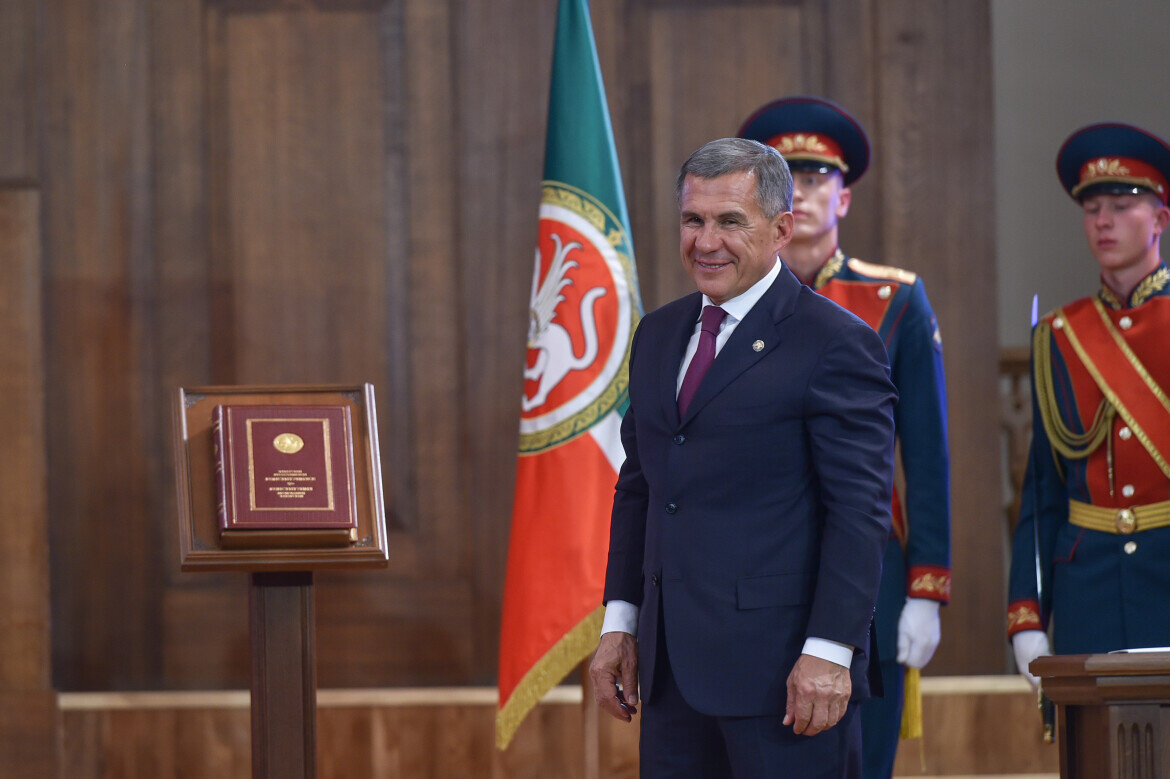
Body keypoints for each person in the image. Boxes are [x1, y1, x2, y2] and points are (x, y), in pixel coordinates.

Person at [588, 137, 897, 777]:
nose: (706, 241)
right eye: (693, 220)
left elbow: (857, 514)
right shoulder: (659, 333)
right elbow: (641, 486)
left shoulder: (836, 343)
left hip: (785, 681)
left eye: (731, 221)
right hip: (670, 675)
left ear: (782, 229)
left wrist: (831, 650)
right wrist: (621, 621)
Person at [737, 96, 952, 779]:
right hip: (751, 571)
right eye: (785, 176)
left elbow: (926, 452)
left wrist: (926, 588)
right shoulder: (725, 306)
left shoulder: (895, 300)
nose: (801, 190)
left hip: (867, 574)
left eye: (818, 177)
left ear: (845, 196)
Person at [1008, 122, 1170, 684]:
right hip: (1087, 590)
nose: (1103, 220)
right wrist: (1027, 613)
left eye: (1123, 205)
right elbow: (1043, 490)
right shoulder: (1059, 334)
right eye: (1092, 207)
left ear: (1160, 219)